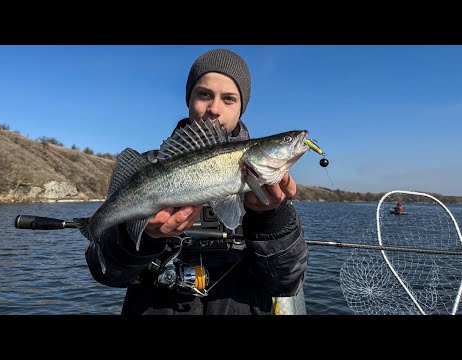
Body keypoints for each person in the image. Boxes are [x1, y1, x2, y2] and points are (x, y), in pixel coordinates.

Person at [85, 48, 308, 315]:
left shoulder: (270, 190)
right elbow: (106, 273)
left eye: (229, 99)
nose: (214, 109)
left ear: (241, 107)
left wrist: (272, 219)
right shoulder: (148, 165)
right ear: (188, 99)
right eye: (204, 94)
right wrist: (144, 238)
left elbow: (287, 282)